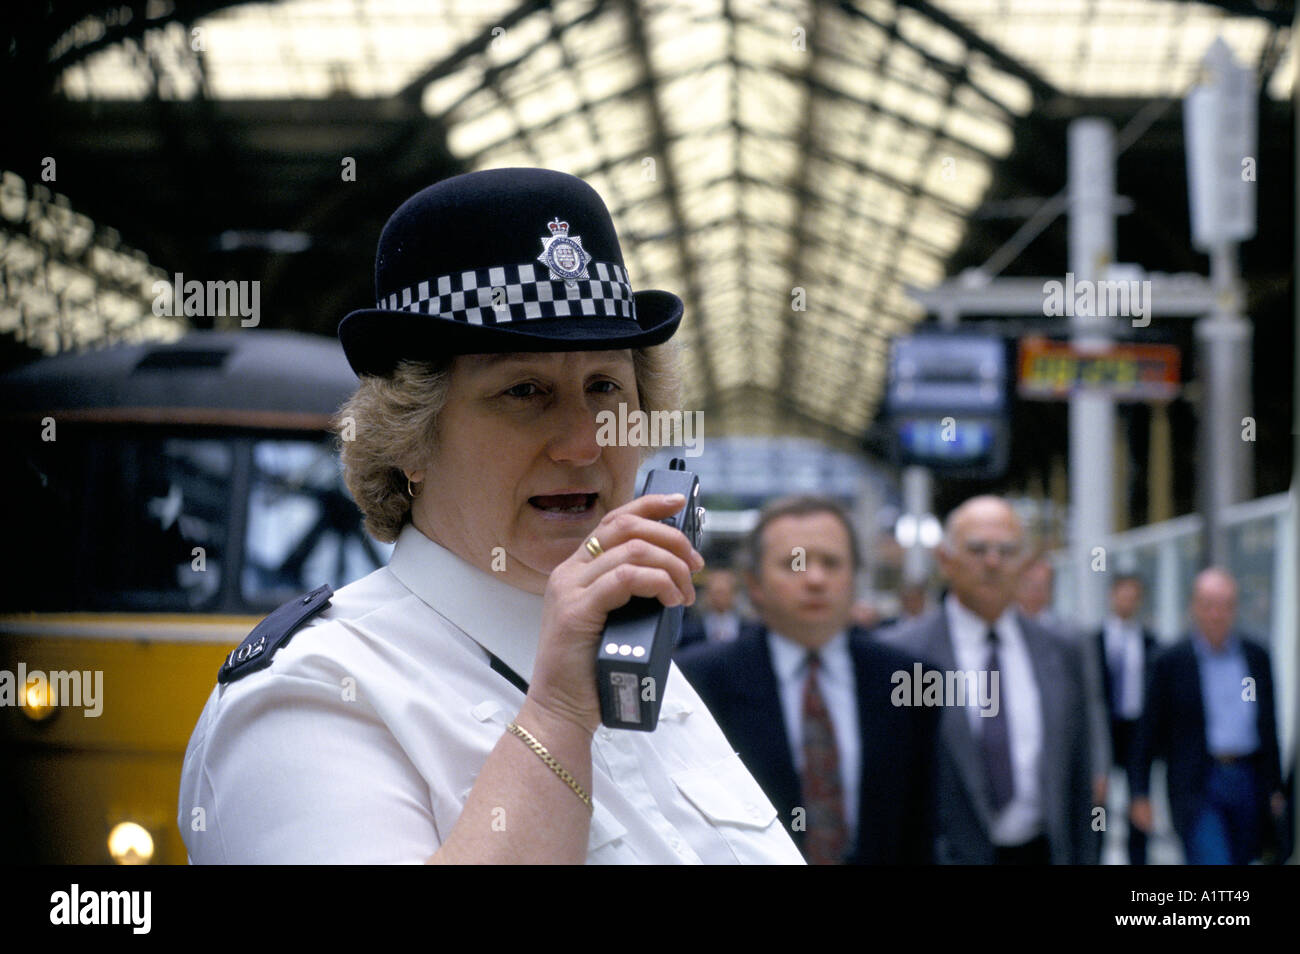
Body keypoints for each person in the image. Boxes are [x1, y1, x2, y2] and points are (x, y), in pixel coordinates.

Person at [177, 168, 804, 864]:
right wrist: (558, 717)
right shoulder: (308, 700)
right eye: (523, 391)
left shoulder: (637, 655)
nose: (584, 442)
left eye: (605, 387)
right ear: (410, 439)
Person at [677, 495, 938, 864]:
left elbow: (922, 825)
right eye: (794, 563)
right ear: (754, 584)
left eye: (831, 563)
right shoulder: (697, 682)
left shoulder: (910, 680)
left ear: (854, 577)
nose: (815, 579)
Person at [885, 496, 1095, 864]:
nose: (993, 562)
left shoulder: (1063, 652)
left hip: (1042, 851)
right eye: (978, 549)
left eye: (1007, 550)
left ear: (1026, 563)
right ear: (945, 559)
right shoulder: (904, 656)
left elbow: (1078, 777)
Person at [1129, 568, 1284, 864]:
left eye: (1226, 605)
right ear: (1194, 607)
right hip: (1199, 781)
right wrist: (1140, 793)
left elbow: (1268, 724)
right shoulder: (1170, 662)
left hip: (1247, 778)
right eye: (1209, 604)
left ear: (1235, 609)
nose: (1217, 614)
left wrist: (1275, 787)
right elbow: (1146, 732)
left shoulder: (1256, 656)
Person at [1016, 558, 1111, 810]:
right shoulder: (1002, 636)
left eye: (1042, 586)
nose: (1036, 593)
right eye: (1030, 585)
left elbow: (1092, 705)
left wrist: (1099, 768)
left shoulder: (1071, 639)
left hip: (1061, 761)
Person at [1091, 573, 1157, 864]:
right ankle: (1093, 853)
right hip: (1104, 728)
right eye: (1123, 595)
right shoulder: (1093, 641)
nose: (1127, 602)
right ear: (1112, 596)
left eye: (1133, 596)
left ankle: (1137, 857)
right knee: (1098, 799)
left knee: (1138, 797)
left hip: (1136, 730)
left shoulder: (1149, 641)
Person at [677, 567, 744, 650]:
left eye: (723, 592)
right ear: (707, 594)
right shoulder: (690, 629)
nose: (719, 598)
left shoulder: (746, 628)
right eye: (715, 593)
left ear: (733, 594)